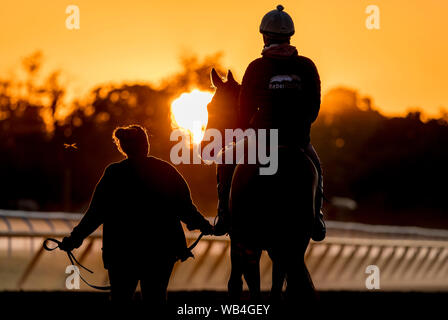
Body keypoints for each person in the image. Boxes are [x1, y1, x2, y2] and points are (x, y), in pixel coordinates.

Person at [60, 125, 213, 305]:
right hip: (160, 252)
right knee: (156, 301)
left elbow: (95, 214)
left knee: (120, 301)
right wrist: (207, 227)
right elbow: (186, 209)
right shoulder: (166, 171)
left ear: (122, 147)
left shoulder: (113, 173)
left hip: (121, 252)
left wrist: (74, 239)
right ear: (146, 145)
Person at [238, 4, 325, 241]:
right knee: (316, 169)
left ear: (265, 36)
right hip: (298, 140)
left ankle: (225, 215)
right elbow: (313, 108)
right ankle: (316, 218)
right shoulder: (307, 66)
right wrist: (299, 130)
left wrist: (249, 128)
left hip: (263, 141)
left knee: (228, 167)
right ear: (289, 36)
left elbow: (243, 110)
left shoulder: (256, 67)